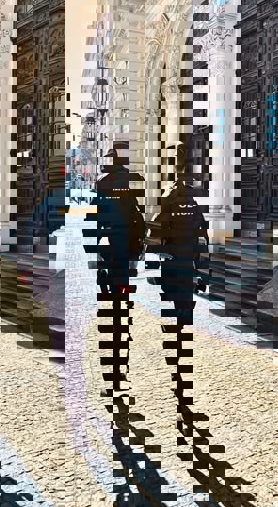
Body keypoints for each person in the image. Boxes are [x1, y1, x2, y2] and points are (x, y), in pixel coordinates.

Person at [84, 146, 145, 399]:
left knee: (110, 311)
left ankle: (112, 375)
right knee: (123, 308)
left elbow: (92, 221)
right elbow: (139, 218)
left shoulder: (102, 183)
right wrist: (138, 249)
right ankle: (121, 371)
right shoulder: (132, 183)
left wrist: (94, 252)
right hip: (127, 253)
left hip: (107, 253)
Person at [147, 141, 209, 326]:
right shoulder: (194, 201)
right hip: (189, 251)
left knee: (173, 285)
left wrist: (152, 249)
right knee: (185, 286)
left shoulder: (169, 197)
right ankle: (184, 315)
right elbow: (202, 228)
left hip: (174, 251)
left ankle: (181, 316)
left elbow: (157, 225)